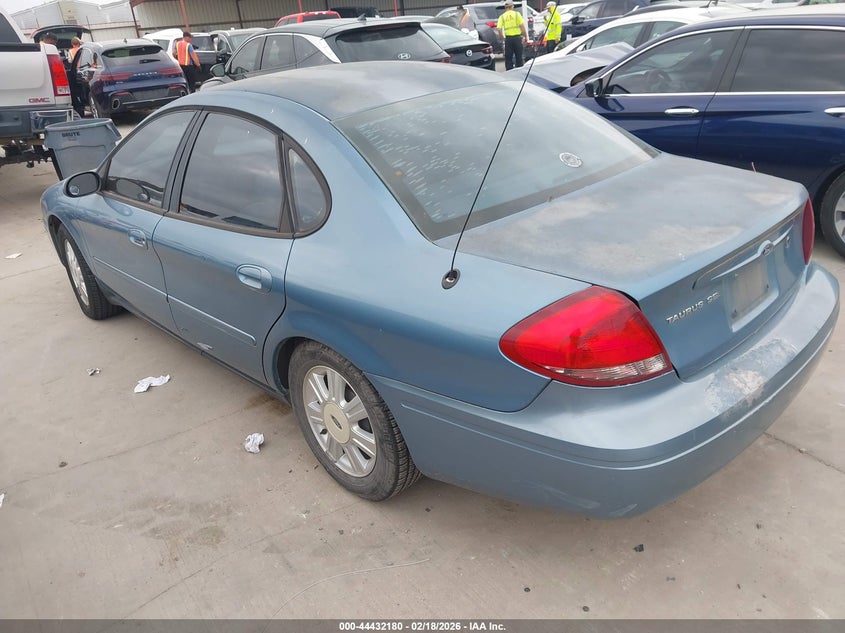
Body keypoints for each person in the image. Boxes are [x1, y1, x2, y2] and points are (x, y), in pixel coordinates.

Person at [497, 0, 527, 70]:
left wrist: (502, 38)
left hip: (508, 39)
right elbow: (522, 26)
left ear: (506, 7)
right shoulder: (517, 14)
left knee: (508, 58)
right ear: (512, 6)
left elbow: (499, 29)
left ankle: (509, 73)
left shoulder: (502, 16)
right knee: (519, 57)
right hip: (517, 38)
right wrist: (525, 37)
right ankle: (520, 72)